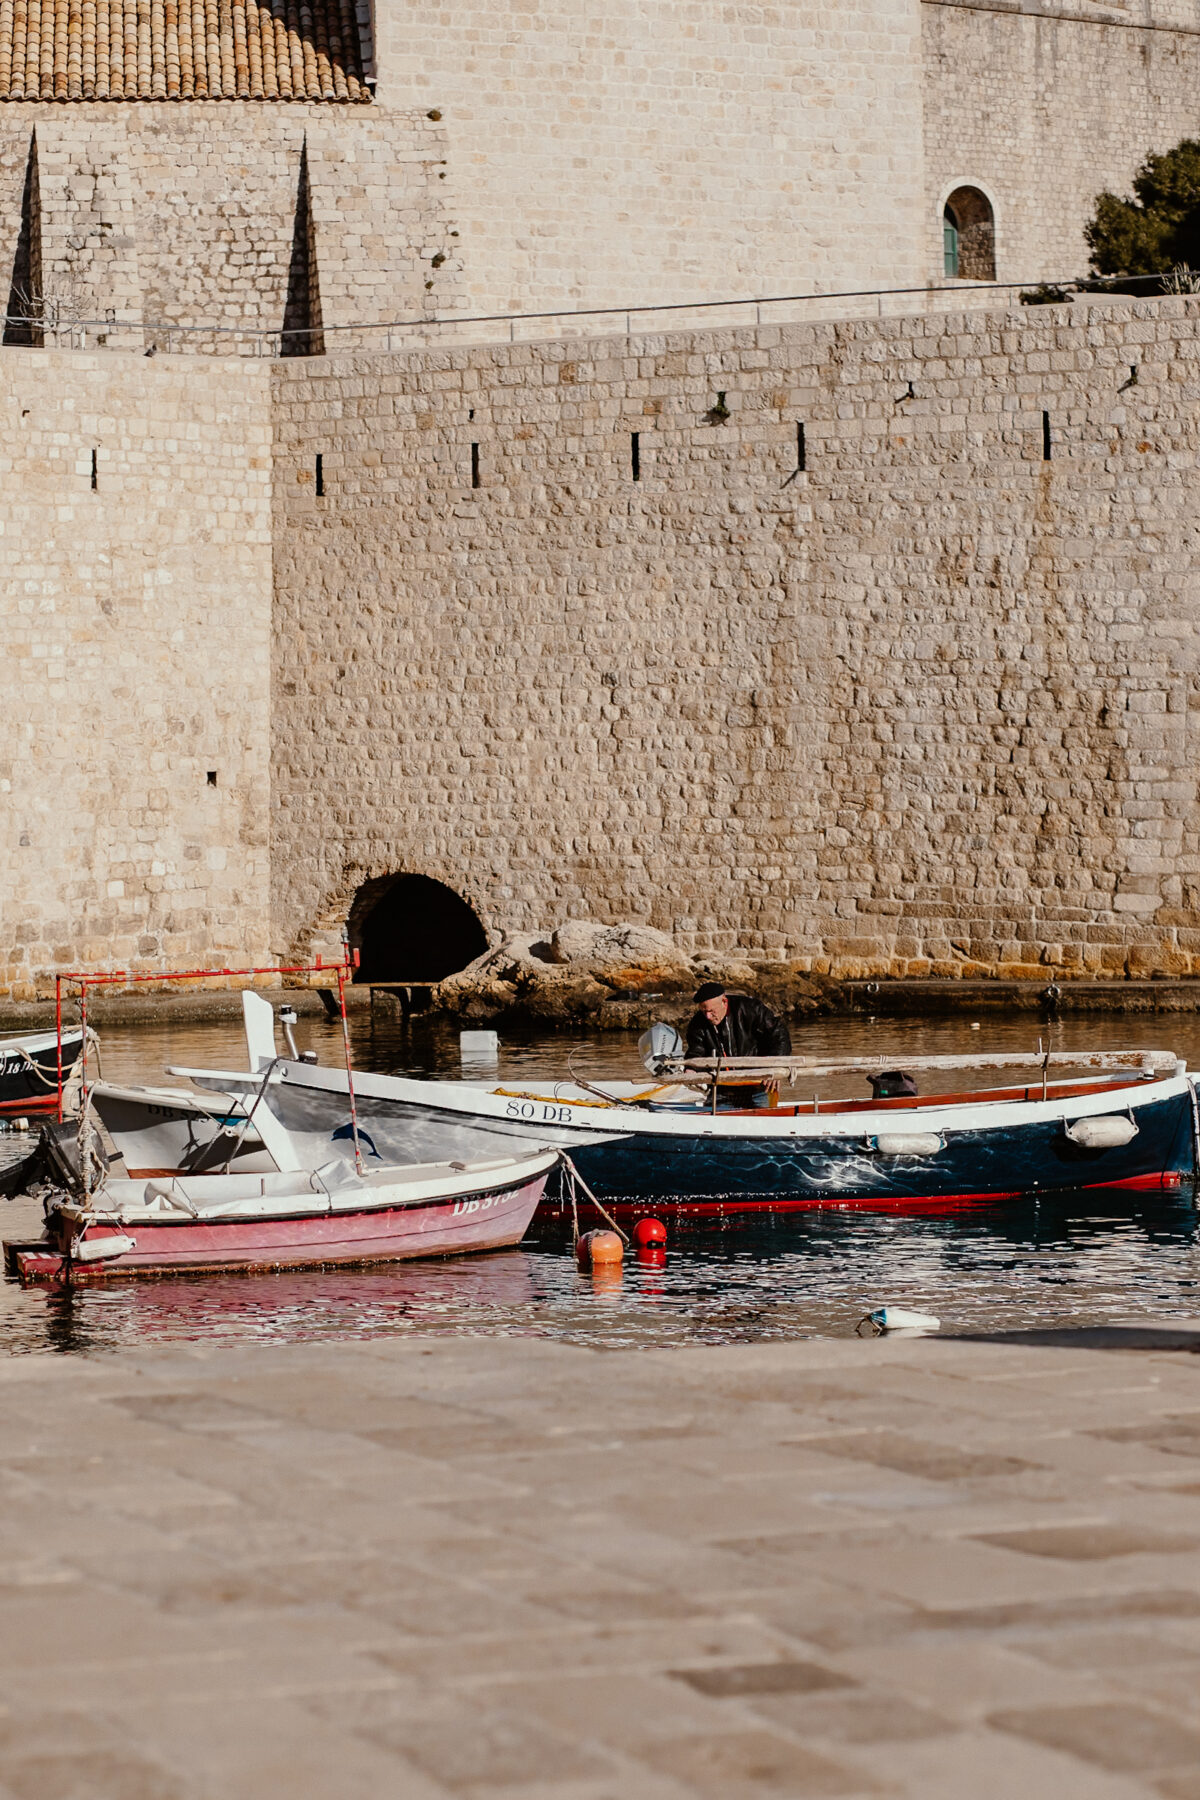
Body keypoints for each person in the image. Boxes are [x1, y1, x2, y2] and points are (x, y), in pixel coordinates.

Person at [685, 982, 792, 1107]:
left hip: (759, 1084)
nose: (708, 1016)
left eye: (711, 1011)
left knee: (763, 1118)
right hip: (722, 1088)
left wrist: (775, 1066)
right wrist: (691, 1068)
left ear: (724, 1002)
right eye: (704, 1011)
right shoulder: (697, 1023)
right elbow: (696, 1050)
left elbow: (780, 1035)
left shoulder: (751, 1008)